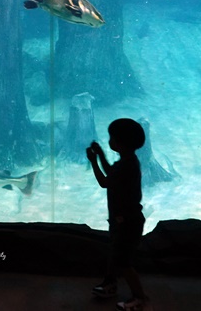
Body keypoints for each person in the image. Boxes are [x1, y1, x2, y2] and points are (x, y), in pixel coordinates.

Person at [86, 117, 151, 310]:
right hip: (122, 220)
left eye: (112, 138)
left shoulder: (126, 165)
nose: (109, 140)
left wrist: (94, 161)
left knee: (123, 261)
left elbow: (105, 181)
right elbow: (111, 173)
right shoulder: (127, 161)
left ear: (120, 142)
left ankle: (140, 297)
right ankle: (109, 284)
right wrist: (101, 156)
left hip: (127, 222)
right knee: (115, 253)